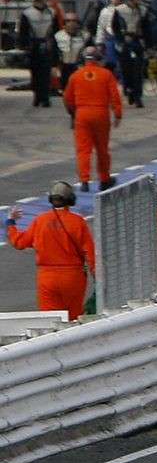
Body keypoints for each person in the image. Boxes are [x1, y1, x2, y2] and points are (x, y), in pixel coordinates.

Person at [6, 181, 95, 320]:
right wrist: (97, 277)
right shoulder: (78, 222)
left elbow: (19, 242)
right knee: (72, 320)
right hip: (73, 277)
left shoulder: (40, 220)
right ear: (70, 200)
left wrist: (11, 223)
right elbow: (90, 253)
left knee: (50, 320)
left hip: (47, 277)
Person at [63, 46, 123, 191]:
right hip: (101, 113)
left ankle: (84, 181)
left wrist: (73, 112)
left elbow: (67, 98)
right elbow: (114, 96)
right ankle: (104, 179)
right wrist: (117, 114)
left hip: (82, 114)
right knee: (102, 149)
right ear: (98, 58)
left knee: (83, 149)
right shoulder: (106, 74)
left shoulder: (76, 75)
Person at [20, 0, 62, 107]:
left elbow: (56, 31)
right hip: (33, 45)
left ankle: (45, 97)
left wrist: (57, 45)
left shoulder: (52, 13)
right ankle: (37, 96)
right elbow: (23, 33)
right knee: (35, 72)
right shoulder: (28, 13)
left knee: (46, 72)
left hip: (47, 43)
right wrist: (24, 48)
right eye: (37, 0)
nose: (40, 2)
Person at [117, 21, 146, 109]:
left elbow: (146, 27)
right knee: (127, 73)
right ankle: (129, 91)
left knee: (137, 74)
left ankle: (138, 96)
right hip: (124, 47)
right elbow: (115, 28)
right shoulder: (119, 13)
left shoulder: (140, 11)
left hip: (137, 45)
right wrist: (122, 38)